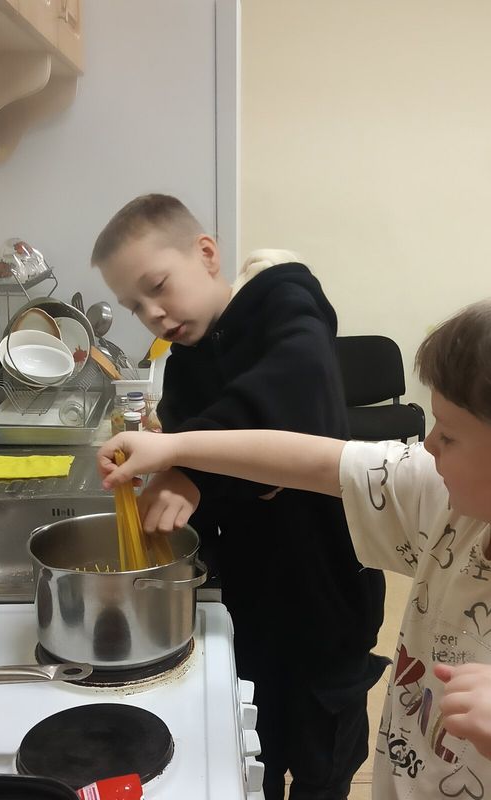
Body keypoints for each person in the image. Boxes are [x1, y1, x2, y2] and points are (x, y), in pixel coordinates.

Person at [98, 296, 491, 800]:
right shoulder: (441, 497)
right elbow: (316, 461)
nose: (429, 444)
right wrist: (175, 449)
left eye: (450, 436)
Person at [92, 193, 387, 800]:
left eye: (158, 287)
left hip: (326, 589)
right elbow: (208, 478)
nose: (153, 314)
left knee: (322, 758)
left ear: (206, 254)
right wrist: (170, 479)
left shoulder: (286, 305)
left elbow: (298, 404)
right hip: (252, 596)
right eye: (135, 307)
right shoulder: (185, 366)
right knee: (257, 745)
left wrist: (188, 464)